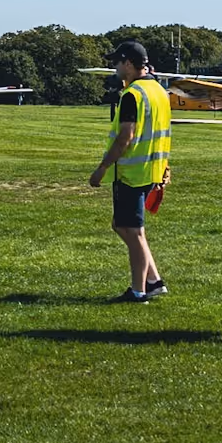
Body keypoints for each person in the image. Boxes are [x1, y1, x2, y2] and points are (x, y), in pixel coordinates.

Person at [87, 40, 172, 302]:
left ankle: (139, 290)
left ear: (128, 63)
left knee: (131, 231)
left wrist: (102, 167)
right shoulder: (159, 91)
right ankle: (154, 281)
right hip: (152, 168)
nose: (114, 67)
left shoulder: (132, 95)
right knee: (125, 226)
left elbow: (126, 136)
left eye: (116, 62)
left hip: (132, 172)